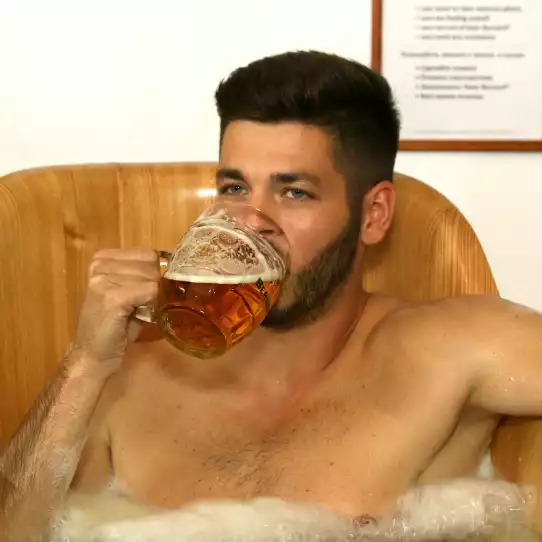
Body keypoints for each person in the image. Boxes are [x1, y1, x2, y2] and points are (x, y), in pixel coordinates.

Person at [1, 50, 542, 540]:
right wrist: (84, 362)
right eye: (235, 188)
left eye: (295, 192)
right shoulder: (129, 379)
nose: (251, 223)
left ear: (373, 216)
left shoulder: (449, 349)